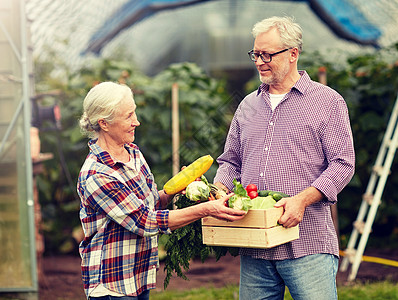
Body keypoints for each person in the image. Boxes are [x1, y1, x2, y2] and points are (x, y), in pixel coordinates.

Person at [214, 16, 355, 300]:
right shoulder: (248, 105)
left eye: (268, 54)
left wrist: (302, 200)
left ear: (293, 53)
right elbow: (230, 161)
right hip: (254, 242)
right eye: (256, 54)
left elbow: (343, 164)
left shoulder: (327, 101)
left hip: (308, 242)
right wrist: (220, 189)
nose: (260, 61)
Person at [77, 81, 246, 300]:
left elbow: (149, 204)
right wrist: (207, 209)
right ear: (104, 123)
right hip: (112, 284)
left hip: (138, 276)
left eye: (134, 113)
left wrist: (176, 189)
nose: (136, 122)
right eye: (128, 116)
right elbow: (145, 221)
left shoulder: (132, 153)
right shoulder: (97, 174)